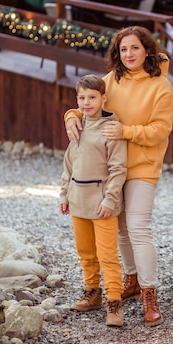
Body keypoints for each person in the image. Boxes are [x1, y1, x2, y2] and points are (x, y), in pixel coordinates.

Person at [65, 26, 173, 327]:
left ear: (147, 51)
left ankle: (150, 295)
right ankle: (132, 281)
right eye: (124, 49)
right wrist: (70, 117)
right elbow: (88, 100)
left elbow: (160, 130)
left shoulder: (161, 87)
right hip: (108, 169)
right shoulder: (111, 80)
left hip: (141, 166)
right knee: (122, 229)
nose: (129, 54)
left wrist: (127, 131)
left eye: (135, 48)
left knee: (138, 228)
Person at [59, 74, 127, 327]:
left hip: (102, 203)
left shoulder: (110, 128)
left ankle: (114, 303)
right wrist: (64, 193)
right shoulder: (77, 126)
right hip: (78, 200)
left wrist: (110, 199)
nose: (86, 102)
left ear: (103, 98)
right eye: (82, 98)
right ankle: (92, 293)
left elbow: (118, 168)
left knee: (107, 255)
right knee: (86, 252)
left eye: (92, 97)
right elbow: (69, 163)